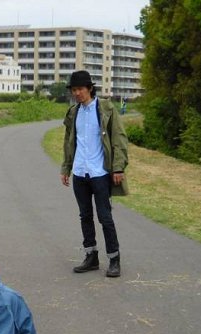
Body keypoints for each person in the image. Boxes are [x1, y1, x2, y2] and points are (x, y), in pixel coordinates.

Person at [61, 70, 129, 278]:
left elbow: (119, 139)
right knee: (85, 216)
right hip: (81, 172)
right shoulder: (74, 112)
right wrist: (66, 168)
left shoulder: (106, 108)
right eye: (74, 90)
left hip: (100, 172)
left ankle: (114, 259)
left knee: (105, 217)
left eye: (80, 89)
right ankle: (91, 256)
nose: (77, 93)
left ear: (90, 88)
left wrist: (118, 168)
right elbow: (68, 142)